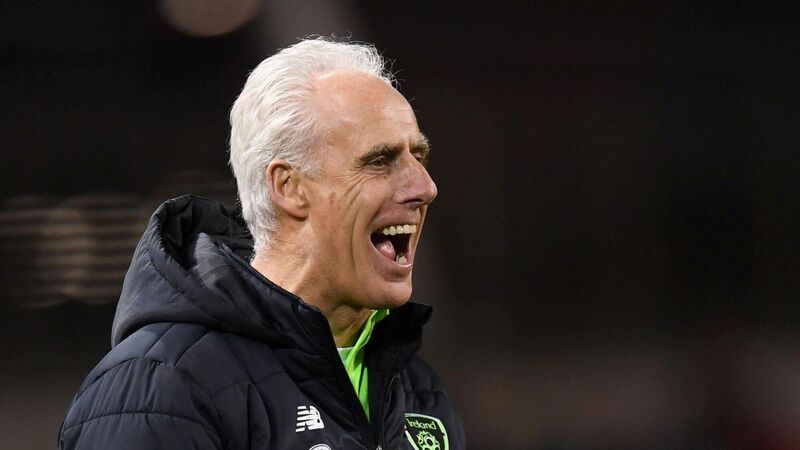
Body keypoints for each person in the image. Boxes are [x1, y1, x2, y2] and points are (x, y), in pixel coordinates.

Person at [58, 37, 465, 450]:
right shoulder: (163, 390)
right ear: (288, 187)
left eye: (418, 157)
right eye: (379, 161)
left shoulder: (419, 392)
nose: (425, 187)